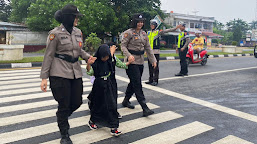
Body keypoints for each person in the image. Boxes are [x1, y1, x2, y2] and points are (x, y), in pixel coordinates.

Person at [40, 4, 96, 144]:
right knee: (64, 103)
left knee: (77, 101)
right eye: (75, 17)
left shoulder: (78, 32)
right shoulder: (55, 34)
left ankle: (62, 116)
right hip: (59, 72)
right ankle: (64, 134)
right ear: (68, 18)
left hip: (75, 71)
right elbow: (48, 55)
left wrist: (88, 57)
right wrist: (44, 78)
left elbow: (79, 50)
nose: (77, 19)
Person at [121, 13, 157, 117]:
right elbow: (123, 46)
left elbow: (148, 48)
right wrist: (128, 56)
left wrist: (153, 60)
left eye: (142, 22)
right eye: (138, 21)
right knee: (137, 83)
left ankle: (126, 100)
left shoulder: (144, 34)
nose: (140, 24)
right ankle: (144, 107)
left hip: (140, 61)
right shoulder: (128, 33)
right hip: (131, 62)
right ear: (134, 22)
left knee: (133, 82)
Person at [86, 44, 122, 136]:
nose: (105, 59)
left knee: (111, 105)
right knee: (98, 105)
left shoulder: (110, 60)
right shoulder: (96, 62)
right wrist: (88, 64)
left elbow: (113, 58)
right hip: (98, 85)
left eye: (106, 57)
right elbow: (89, 72)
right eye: (103, 57)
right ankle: (92, 121)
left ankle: (114, 127)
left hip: (108, 84)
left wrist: (112, 51)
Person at [145, 20, 183, 86]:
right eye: (151, 24)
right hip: (149, 52)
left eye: (153, 25)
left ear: (156, 25)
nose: (152, 26)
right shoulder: (148, 33)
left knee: (155, 67)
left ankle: (155, 80)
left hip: (156, 51)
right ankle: (150, 80)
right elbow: (146, 42)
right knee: (150, 66)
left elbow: (167, 30)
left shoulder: (158, 32)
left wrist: (175, 28)